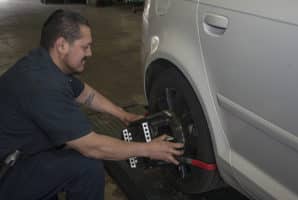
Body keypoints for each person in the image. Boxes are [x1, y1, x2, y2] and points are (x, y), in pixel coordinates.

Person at [0, 9, 183, 200]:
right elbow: (93, 147)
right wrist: (148, 149)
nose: (90, 53)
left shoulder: (45, 62)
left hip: (20, 153)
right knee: (87, 167)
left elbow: (83, 92)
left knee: (63, 153)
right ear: (61, 45)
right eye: (85, 47)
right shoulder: (42, 85)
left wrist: (123, 114)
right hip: (7, 172)